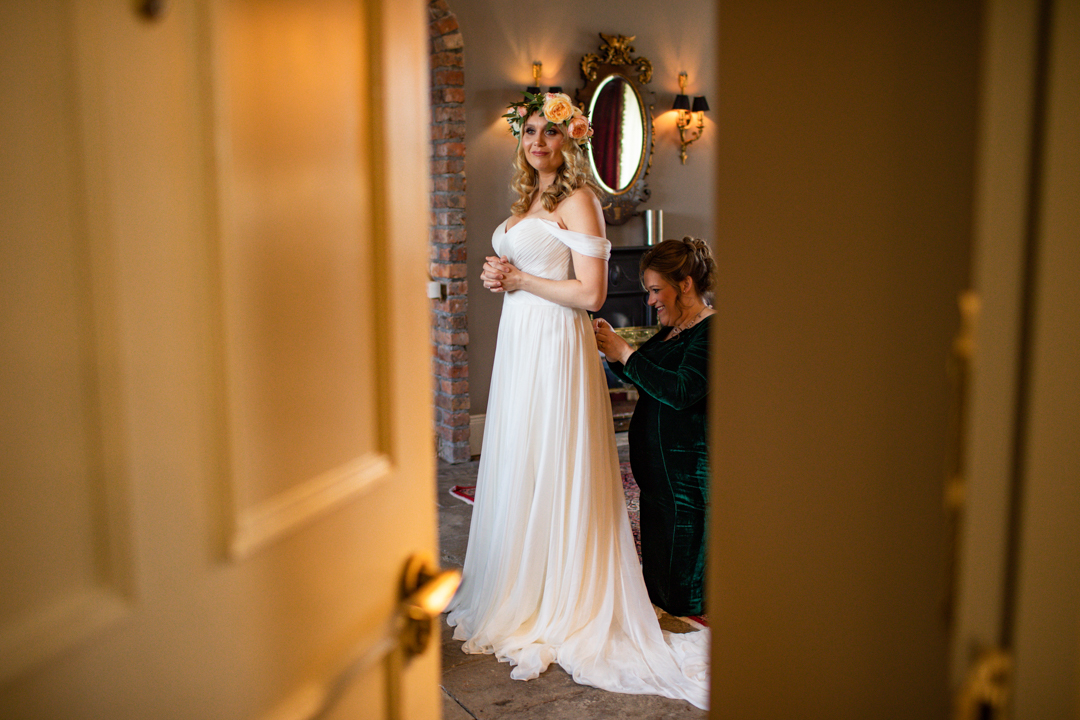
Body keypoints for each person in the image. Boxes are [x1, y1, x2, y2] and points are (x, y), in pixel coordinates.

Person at [445, 92, 709, 710]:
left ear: (571, 139)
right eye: (530, 131)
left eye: (551, 131)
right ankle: (521, 582)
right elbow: (529, 273)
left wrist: (519, 278)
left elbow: (591, 295)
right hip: (521, 340)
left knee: (555, 458)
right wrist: (498, 275)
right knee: (521, 458)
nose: (538, 141)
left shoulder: (581, 200)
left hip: (556, 346)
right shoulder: (526, 201)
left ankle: (563, 593)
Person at [593, 238, 715, 618]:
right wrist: (609, 348)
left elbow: (681, 390)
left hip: (685, 485)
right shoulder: (672, 330)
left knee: (681, 596)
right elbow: (642, 375)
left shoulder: (711, 330)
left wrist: (625, 353)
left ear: (685, 284)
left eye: (656, 290)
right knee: (657, 586)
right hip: (658, 484)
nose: (650, 301)